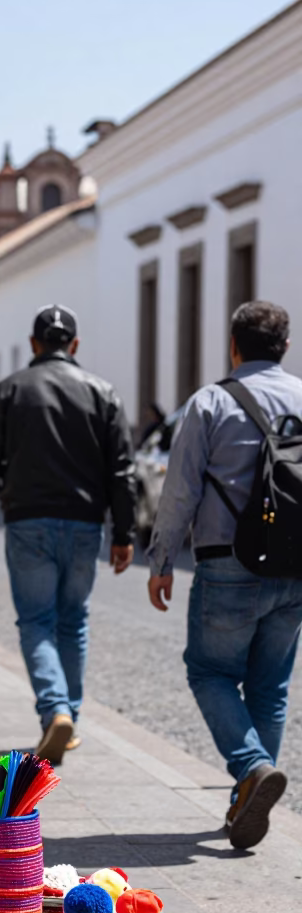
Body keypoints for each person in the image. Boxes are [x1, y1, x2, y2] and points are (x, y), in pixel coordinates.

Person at [148, 301, 302, 849]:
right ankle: (247, 797)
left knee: (209, 672)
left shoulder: (211, 401)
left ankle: (252, 767)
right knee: (271, 685)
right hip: (295, 567)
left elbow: (181, 489)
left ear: (233, 346)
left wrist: (162, 557)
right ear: (283, 346)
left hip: (227, 561)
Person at [0, 304, 136, 764]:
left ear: (34, 345)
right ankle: (70, 719)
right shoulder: (102, 392)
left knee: (37, 621)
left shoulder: (10, 391)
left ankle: (55, 710)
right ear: (74, 346)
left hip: (27, 522)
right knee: (73, 620)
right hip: (84, 523)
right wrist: (124, 532)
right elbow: (122, 470)